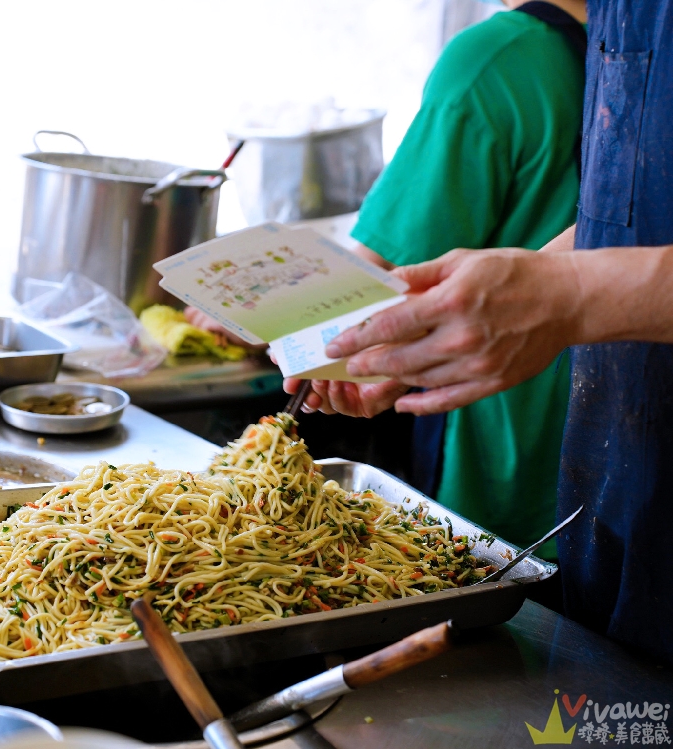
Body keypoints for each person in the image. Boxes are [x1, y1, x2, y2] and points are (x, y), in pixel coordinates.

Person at [309, 1, 673, 661]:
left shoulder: (491, 59)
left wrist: (571, 293)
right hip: (615, 479)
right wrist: (479, 305)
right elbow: (628, 217)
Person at [197, 0, 589, 562]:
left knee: (488, 583)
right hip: (599, 413)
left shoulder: (495, 56)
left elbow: (376, 269)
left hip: (498, 410)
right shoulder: (622, 66)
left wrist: (250, 307)